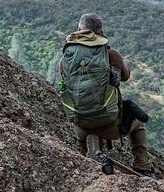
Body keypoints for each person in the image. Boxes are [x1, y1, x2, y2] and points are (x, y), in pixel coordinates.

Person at [58, 13, 155, 177]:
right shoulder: (111, 55)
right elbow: (125, 76)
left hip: (80, 126)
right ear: (101, 33)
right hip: (110, 125)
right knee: (138, 122)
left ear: (79, 30)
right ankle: (142, 166)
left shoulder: (65, 59)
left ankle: (92, 141)